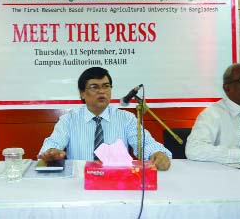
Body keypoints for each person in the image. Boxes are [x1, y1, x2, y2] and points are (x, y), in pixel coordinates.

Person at [38, 67, 172, 171]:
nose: (102, 91)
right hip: (80, 183)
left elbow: (145, 144)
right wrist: (51, 153)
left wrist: (157, 153)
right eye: (94, 87)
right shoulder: (69, 119)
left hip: (117, 180)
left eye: (106, 86)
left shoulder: (126, 118)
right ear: (82, 93)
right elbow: (52, 144)